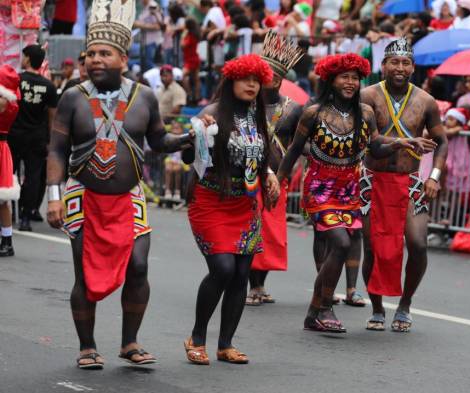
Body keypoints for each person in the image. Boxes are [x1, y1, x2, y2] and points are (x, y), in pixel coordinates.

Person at [46, 0, 194, 369]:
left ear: (123, 59)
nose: (96, 59)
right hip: (84, 196)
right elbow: (57, 150)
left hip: (129, 198)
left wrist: (189, 139)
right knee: (85, 271)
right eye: (91, 53)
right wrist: (53, 197)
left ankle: (130, 342)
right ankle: (87, 346)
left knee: (139, 266)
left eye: (105, 53)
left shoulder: (143, 96)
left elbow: (157, 142)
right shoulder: (72, 98)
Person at [276, 53, 417, 333]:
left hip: (349, 191)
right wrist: (277, 181)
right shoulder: (313, 113)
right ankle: (324, 308)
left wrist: (401, 143)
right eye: (344, 77)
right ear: (331, 80)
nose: (351, 83)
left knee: (341, 246)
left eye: (355, 78)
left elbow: (375, 147)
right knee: (340, 243)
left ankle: (314, 313)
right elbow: (293, 150)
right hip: (319, 189)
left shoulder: (364, 113)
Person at [183, 54, 280, 365]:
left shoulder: (257, 115)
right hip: (210, 201)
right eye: (244, 79)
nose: (251, 85)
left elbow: (261, 154)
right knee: (223, 269)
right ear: (231, 82)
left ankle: (226, 344)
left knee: (240, 274)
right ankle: (197, 337)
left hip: (244, 203)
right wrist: (198, 134)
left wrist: (268, 174)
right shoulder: (212, 113)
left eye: (256, 80)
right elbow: (189, 158)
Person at [360, 38, 447, 333]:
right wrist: (401, 141)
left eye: (405, 62)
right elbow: (370, 143)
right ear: (383, 65)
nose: (400, 67)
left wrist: (434, 175)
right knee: (373, 248)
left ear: (412, 67)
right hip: (372, 180)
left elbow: (442, 141)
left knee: (419, 245)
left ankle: (405, 305)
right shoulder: (368, 96)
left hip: (410, 182)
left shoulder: (426, 101)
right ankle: (376, 308)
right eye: (394, 62)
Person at [247, 32, 304, 306]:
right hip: (246, 177)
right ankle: (252, 285)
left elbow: (300, 144)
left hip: (276, 178)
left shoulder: (293, 110)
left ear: (281, 78)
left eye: (273, 74)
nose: (268, 78)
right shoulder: (245, 103)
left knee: (270, 234)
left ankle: (261, 283)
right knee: (249, 230)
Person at [10, 44, 58, 232]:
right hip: (37, 137)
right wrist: (51, 140)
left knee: (8, 174)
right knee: (33, 177)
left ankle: (6, 211)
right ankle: (25, 217)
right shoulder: (49, 86)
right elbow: (52, 118)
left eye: (23, 56)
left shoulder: (16, 80)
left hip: (14, 135)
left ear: (28, 58)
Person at [0, 65, 21, 257]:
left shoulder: (5, 103)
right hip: (2, 148)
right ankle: (6, 239)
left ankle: (6, 241)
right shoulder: (11, 102)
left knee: (2, 200)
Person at [132, 0, 165, 71]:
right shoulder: (145, 7)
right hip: (145, 41)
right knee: (143, 64)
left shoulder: (153, 6)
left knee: (149, 65)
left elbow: (159, 26)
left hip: (152, 41)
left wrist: (140, 25)